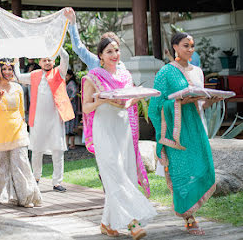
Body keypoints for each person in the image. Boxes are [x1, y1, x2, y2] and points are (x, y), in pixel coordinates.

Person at [82, 36, 156, 239]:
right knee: (114, 172)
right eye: (109, 52)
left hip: (123, 128)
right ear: (101, 56)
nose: (115, 55)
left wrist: (136, 98)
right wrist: (100, 100)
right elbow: (86, 107)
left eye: (116, 50)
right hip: (104, 128)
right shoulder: (93, 77)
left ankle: (107, 223)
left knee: (126, 172)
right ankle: (133, 223)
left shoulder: (125, 75)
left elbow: (128, 102)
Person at [149, 32, 220, 236]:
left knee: (201, 167)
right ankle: (189, 218)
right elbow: (156, 105)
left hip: (197, 127)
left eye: (192, 46)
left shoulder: (198, 72)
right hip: (176, 133)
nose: (190, 49)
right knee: (181, 173)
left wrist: (211, 101)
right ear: (175, 47)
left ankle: (192, 210)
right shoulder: (165, 72)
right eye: (185, 45)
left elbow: (200, 103)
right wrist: (179, 102)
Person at [14, 47, 75, 193]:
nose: (47, 62)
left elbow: (65, 57)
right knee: (36, 149)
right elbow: (19, 77)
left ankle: (57, 182)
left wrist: (58, 44)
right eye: (44, 60)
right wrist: (16, 62)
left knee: (58, 149)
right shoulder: (34, 74)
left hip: (55, 118)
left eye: (49, 60)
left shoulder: (59, 72)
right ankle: (35, 177)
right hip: (38, 118)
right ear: (40, 62)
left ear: (53, 61)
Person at [0, 58, 42, 208]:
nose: (8, 72)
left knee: (21, 163)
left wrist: (24, 126)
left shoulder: (17, 88)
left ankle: (26, 197)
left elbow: (21, 111)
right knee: (0, 165)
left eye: (10, 69)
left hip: (18, 130)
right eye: (4, 69)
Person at [65, 69, 78, 150]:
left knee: (70, 125)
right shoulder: (68, 83)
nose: (65, 77)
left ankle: (71, 144)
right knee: (68, 125)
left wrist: (69, 100)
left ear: (70, 75)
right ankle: (67, 144)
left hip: (71, 106)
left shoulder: (71, 83)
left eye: (67, 75)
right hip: (68, 106)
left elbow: (74, 92)